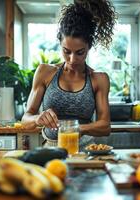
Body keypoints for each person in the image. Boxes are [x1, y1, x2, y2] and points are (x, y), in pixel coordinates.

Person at [22, 0, 116, 148]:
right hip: (51, 149)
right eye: (66, 51)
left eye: (80, 52)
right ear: (60, 43)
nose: (72, 59)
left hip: (86, 149)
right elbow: (25, 120)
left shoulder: (99, 79)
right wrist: (38, 118)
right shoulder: (45, 72)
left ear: (89, 47)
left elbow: (105, 126)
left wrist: (78, 129)